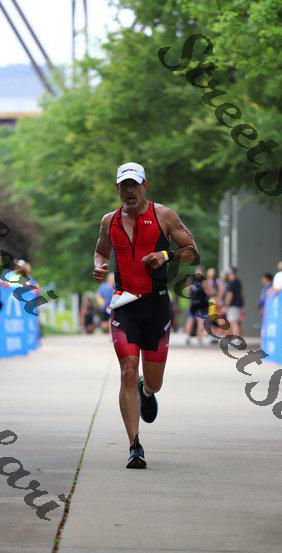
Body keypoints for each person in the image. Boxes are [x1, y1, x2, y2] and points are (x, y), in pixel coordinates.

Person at [93, 162, 199, 469]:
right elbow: (100, 251)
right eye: (124, 185)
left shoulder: (164, 215)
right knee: (127, 371)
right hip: (124, 305)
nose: (130, 190)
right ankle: (134, 446)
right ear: (117, 188)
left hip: (156, 307)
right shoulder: (109, 221)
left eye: (134, 184)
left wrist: (165, 255)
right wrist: (99, 266)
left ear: (145, 186)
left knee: (154, 381)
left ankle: (147, 390)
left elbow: (192, 252)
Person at [224, 267, 244, 338]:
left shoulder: (232, 283)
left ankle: (236, 340)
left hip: (233, 305)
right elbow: (241, 294)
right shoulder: (238, 282)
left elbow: (230, 295)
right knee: (238, 322)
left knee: (234, 322)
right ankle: (240, 339)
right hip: (238, 305)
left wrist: (226, 305)